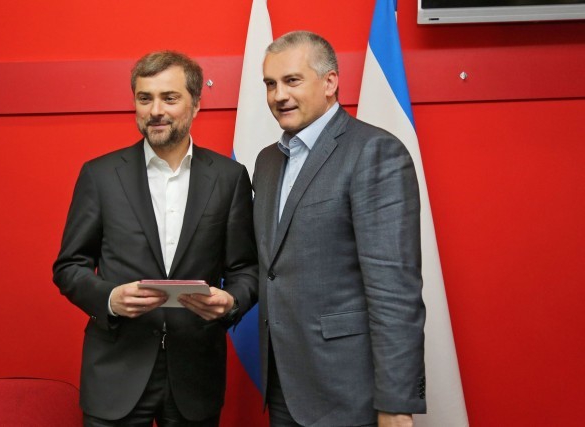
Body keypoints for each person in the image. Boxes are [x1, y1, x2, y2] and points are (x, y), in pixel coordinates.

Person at [53, 51, 258, 427]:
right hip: (115, 373)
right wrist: (110, 299)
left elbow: (246, 268)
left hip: (196, 375)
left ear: (196, 104)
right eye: (145, 98)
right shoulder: (100, 175)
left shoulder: (230, 178)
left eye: (169, 98)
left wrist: (231, 301)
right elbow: (69, 266)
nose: (155, 110)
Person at [253, 31, 426, 427]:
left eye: (292, 80)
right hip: (282, 385)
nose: (279, 95)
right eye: (270, 84)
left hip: (349, 391)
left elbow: (395, 292)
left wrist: (395, 403)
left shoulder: (374, 151)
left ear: (330, 82)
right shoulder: (267, 162)